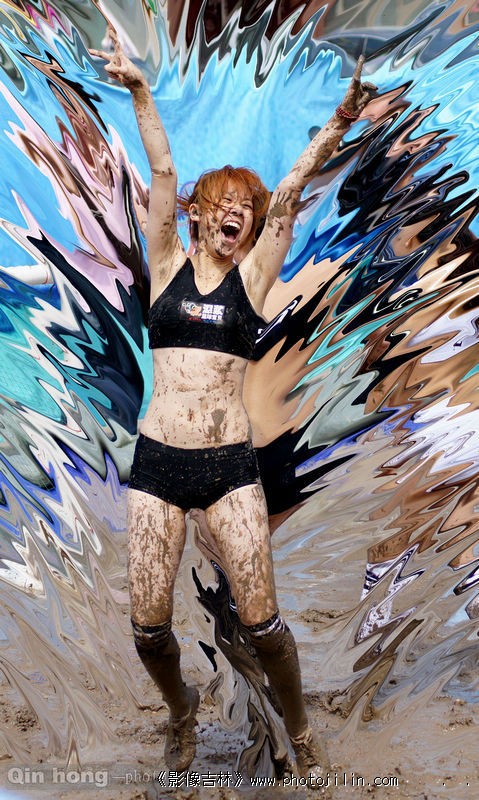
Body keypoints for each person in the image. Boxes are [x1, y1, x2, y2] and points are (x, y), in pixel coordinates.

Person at [90, 26, 377, 780]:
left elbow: (289, 194)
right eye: (221, 203)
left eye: (244, 207)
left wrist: (338, 123)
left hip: (228, 469)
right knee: (148, 629)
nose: (236, 213)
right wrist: (140, 90)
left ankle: (300, 729)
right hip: (158, 466)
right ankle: (181, 709)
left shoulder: (251, 279)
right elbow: (161, 169)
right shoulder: (165, 265)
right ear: (196, 214)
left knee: (264, 620)